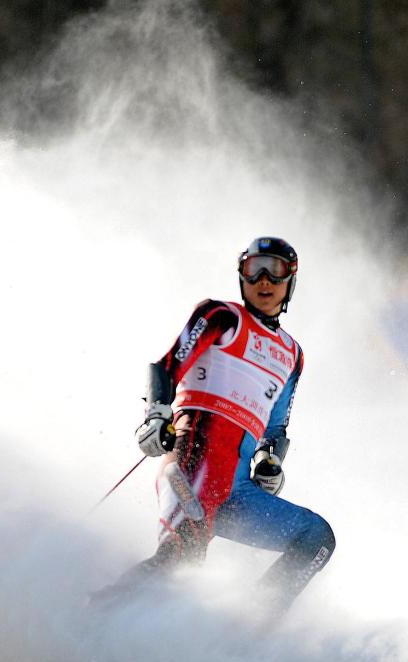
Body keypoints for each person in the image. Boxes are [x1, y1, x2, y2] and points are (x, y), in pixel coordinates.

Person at [98, 237, 334, 619]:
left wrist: (269, 461)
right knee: (181, 557)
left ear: (291, 280)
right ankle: (89, 617)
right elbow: (167, 366)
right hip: (192, 468)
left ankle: (248, 629)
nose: (263, 279)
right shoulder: (221, 316)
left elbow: (275, 428)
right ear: (241, 274)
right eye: (254, 268)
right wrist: (157, 415)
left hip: (236, 492)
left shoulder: (292, 355)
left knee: (316, 538)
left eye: (275, 270)